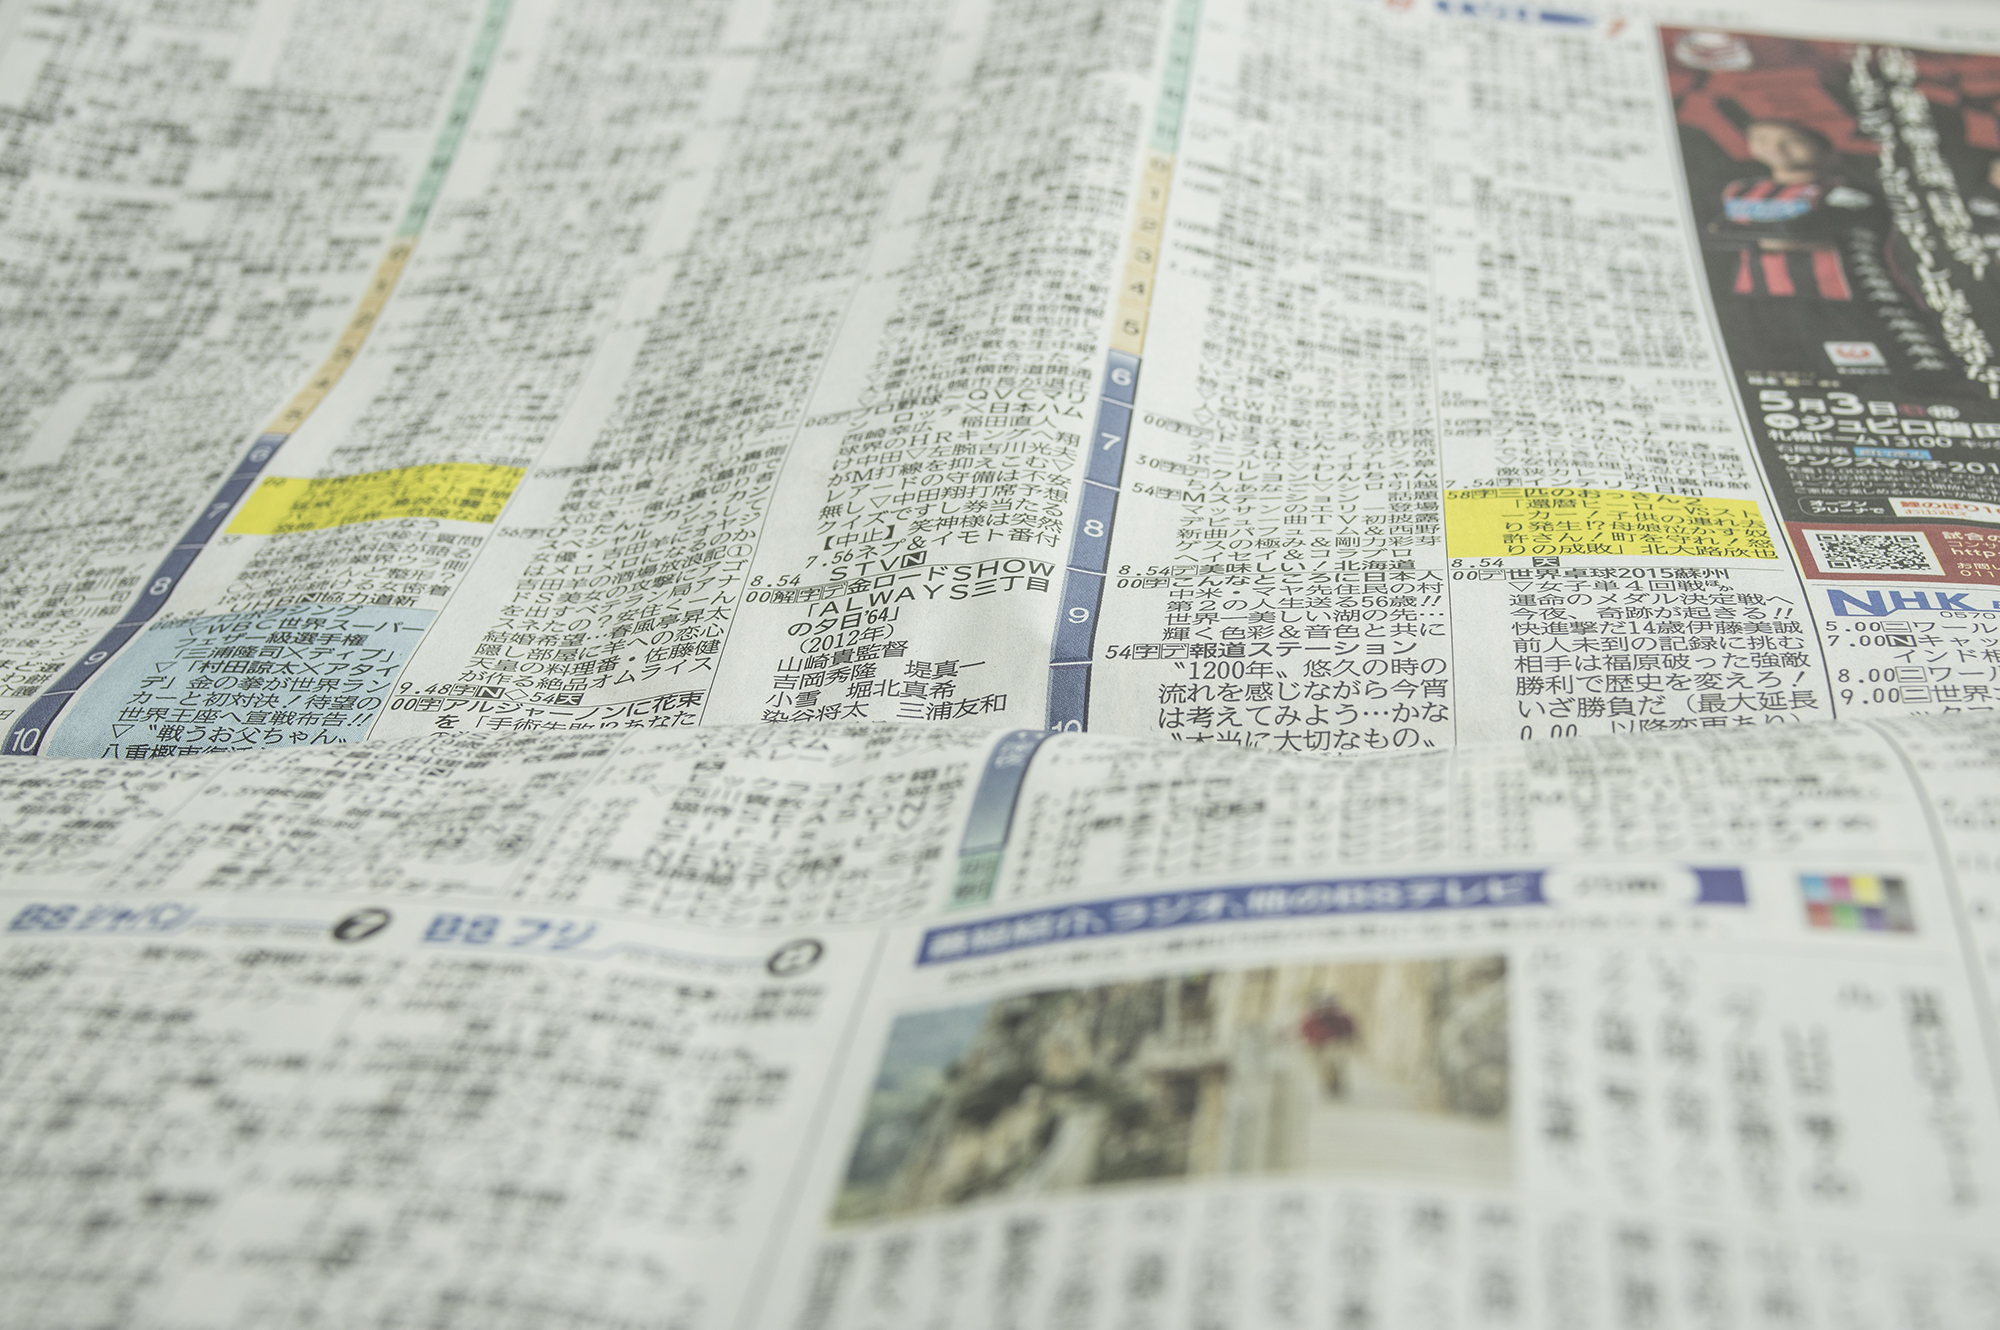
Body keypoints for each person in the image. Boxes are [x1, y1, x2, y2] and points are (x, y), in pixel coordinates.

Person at [1299, 994, 1360, 1096]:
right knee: (1323, 1067)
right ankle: (1328, 1084)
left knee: (1335, 1064)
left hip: (1335, 1044)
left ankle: (1336, 1084)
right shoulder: (1313, 1019)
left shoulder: (1340, 1019)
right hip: (1317, 1046)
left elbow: (1350, 1029)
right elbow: (1305, 1031)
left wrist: (1351, 1040)